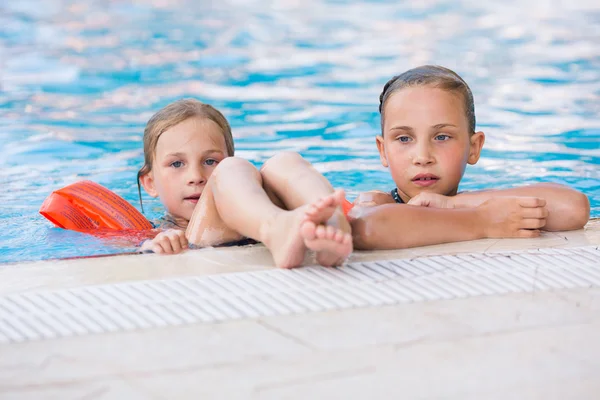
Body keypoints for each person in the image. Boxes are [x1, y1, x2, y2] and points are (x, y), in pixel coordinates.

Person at [346, 65, 590, 250]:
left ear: (474, 147)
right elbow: (367, 227)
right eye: (404, 139)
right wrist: (483, 221)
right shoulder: (380, 203)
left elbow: (572, 207)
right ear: (383, 150)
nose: (422, 157)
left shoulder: (473, 201)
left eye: (441, 137)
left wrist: (454, 205)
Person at [137, 99, 352, 268]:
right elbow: (134, 251)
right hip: (202, 239)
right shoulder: (156, 232)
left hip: (261, 221)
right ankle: (276, 228)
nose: (196, 176)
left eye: (210, 161)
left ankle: (334, 225)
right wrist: (151, 247)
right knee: (231, 167)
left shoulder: (246, 193)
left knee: (284, 161)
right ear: (150, 183)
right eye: (176, 164)